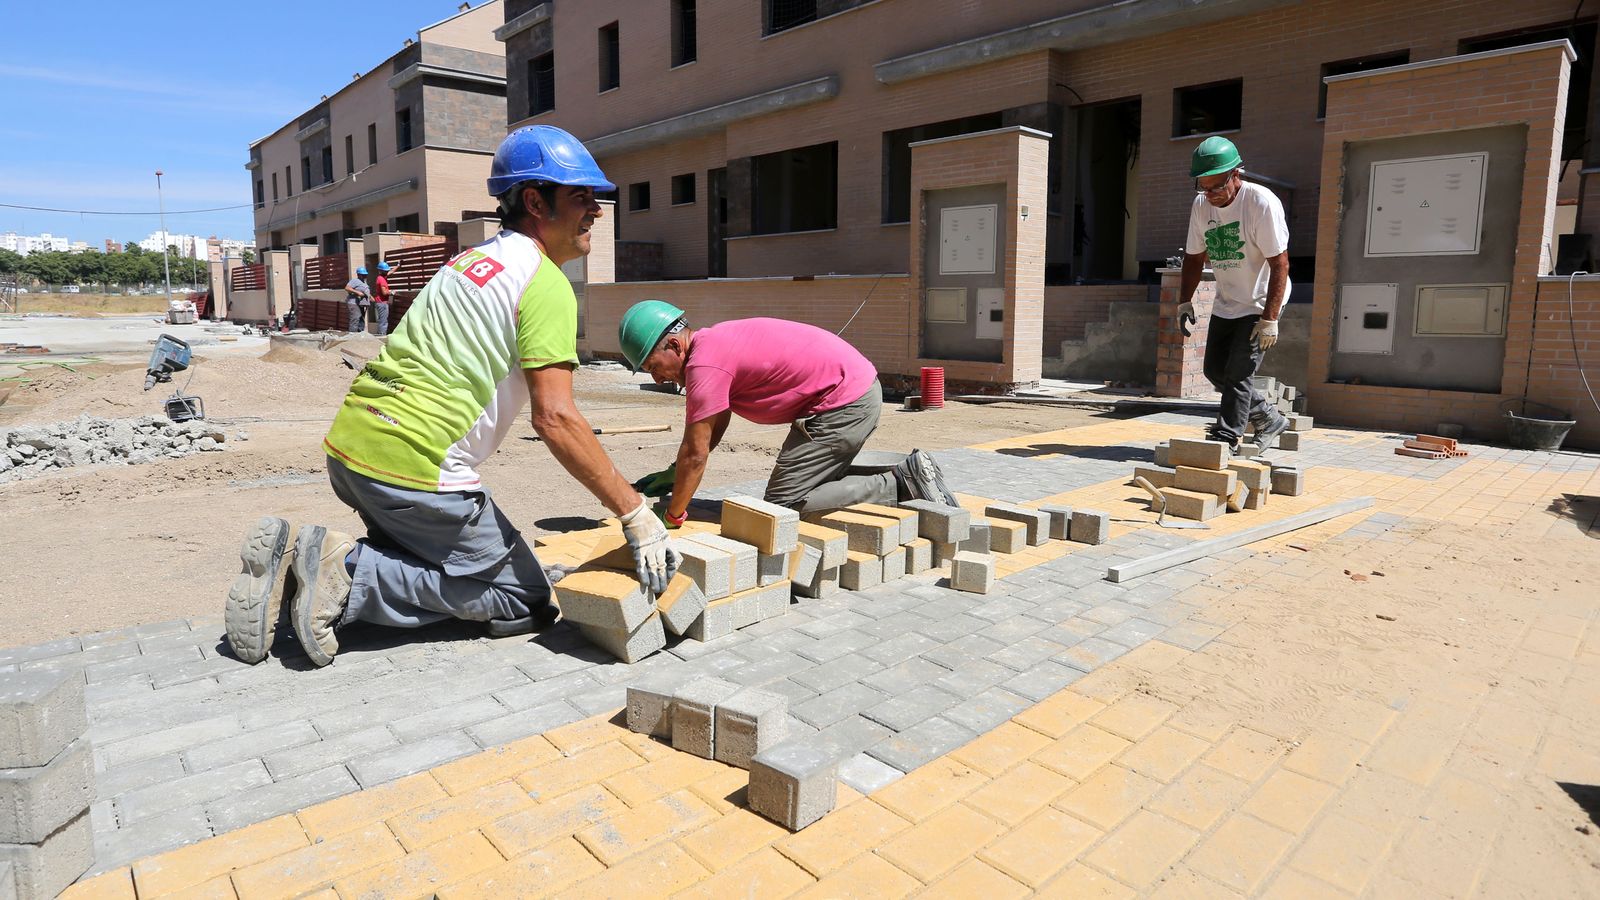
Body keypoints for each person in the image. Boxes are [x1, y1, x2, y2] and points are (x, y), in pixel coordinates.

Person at [224, 125, 678, 667]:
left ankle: (307, 572)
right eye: (581, 196)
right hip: (416, 470)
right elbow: (555, 417)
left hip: (352, 450)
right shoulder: (546, 282)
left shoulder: (467, 264)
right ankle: (348, 575)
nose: (595, 212)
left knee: (442, 562)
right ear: (535, 200)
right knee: (524, 599)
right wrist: (633, 513)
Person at [619, 302, 959, 526]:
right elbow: (716, 421)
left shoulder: (704, 364)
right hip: (852, 389)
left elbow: (696, 454)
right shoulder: (713, 345)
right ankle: (911, 469)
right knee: (808, 481)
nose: (657, 378)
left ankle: (899, 482)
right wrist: (675, 472)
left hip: (843, 401)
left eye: (653, 366)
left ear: (675, 346)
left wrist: (674, 514)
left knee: (786, 502)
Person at [1176, 136, 1291, 452]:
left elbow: (1280, 264)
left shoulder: (1261, 204)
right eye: (1204, 187)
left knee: (1239, 371)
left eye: (1216, 187)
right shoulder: (1202, 206)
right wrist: (1184, 300)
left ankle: (1227, 438)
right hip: (1228, 301)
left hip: (1259, 300)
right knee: (1214, 369)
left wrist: (1270, 318)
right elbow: (1194, 257)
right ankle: (1268, 418)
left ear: (1236, 174)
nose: (1210, 195)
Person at [345, 268, 371, 334]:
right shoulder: (355, 281)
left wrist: (371, 298)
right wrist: (357, 292)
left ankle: (360, 335)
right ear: (359, 275)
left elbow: (366, 292)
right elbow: (347, 288)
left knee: (361, 320)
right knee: (355, 319)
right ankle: (352, 335)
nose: (365, 276)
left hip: (360, 303)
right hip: (353, 303)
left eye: (366, 275)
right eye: (363, 275)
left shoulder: (363, 282)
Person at [372, 261, 393, 337]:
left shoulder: (380, 277)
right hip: (382, 303)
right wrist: (391, 292)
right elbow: (384, 292)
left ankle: (380, 334)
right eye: (386, 271)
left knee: (381, 320)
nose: (387, 271)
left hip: (379, 302)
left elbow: (391, 272)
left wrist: (398, 266)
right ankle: (382, 336)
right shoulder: (382, 280)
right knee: (383, 321)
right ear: (381, 271)